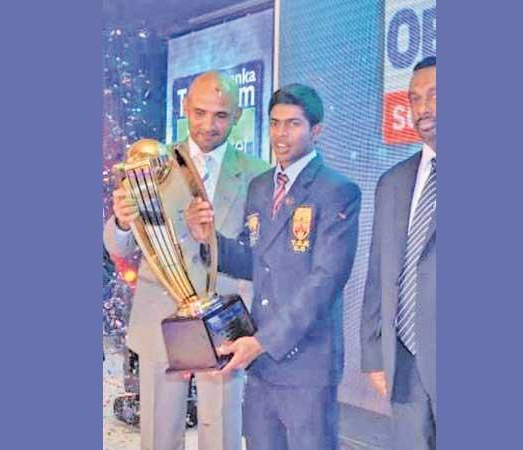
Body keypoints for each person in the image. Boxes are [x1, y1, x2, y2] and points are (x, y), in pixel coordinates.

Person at [186, 83, 361, 450]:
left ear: (316, 130)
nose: (281, 135)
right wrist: (209, 239)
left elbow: (324, 282)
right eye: (275, 123)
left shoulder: (337, 191)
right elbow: (254, 260)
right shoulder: (261, 186)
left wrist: (263, 342)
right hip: (261, 364)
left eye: (293, 124)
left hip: (305, 364)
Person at [104, 70, 269, 450]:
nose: (208, 125)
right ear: (184, 108)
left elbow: (259, 254)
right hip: (159, 318)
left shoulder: (257, 174)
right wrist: (123, 223)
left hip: (224, 323)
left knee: (223, 434)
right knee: (159, 435)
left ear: (238, 115)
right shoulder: (151, 164)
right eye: (199, 113)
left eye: (221, 115)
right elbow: (118, 244)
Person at [360, 56, 437, 450]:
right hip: (404, 363)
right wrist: (373, 353)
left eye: (435, 95)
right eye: (415, 98)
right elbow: (378, 273)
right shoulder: (392, 182)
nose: (423, 108)